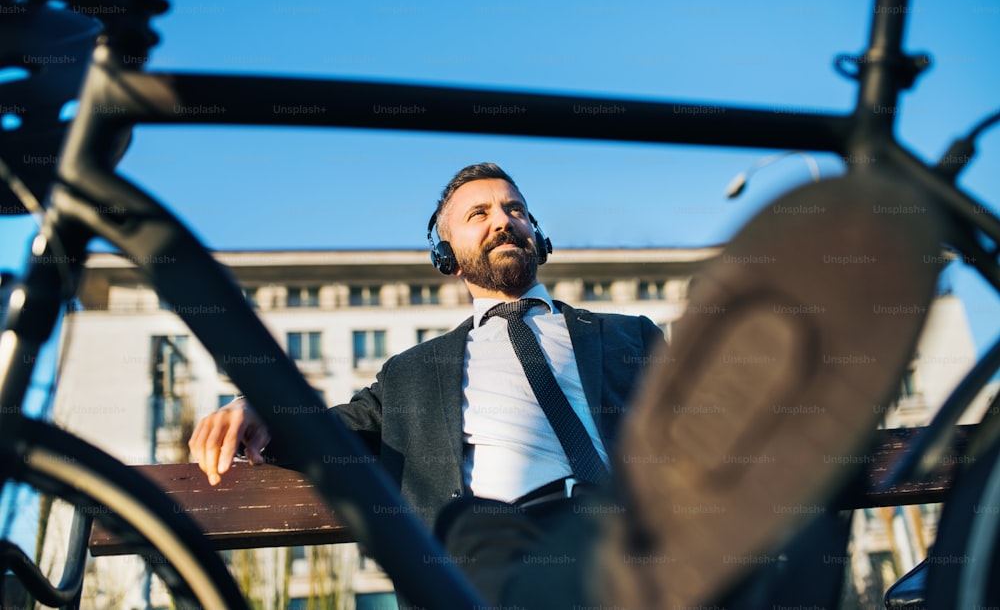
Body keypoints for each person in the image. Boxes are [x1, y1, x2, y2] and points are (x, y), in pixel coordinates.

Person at [189, 162, 943, 609]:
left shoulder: (628, 333)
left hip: (653, 522)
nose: (503, 220)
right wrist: (257, 408)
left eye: (515, 208)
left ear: (538, 234)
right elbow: (328, 431)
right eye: (478, 213)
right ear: (444, 252)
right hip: (507, 542)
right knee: (465, 527)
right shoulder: (408, 373)